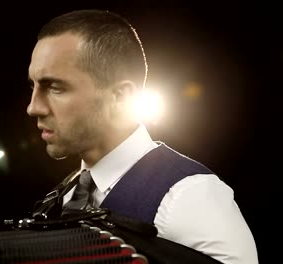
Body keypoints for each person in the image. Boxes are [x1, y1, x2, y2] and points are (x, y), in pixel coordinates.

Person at [26, 9, 258, 264]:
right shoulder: (65, 197)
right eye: (33, 86)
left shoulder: (190, 197)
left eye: (55, 88)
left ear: (121, 97)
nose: (33, 107)